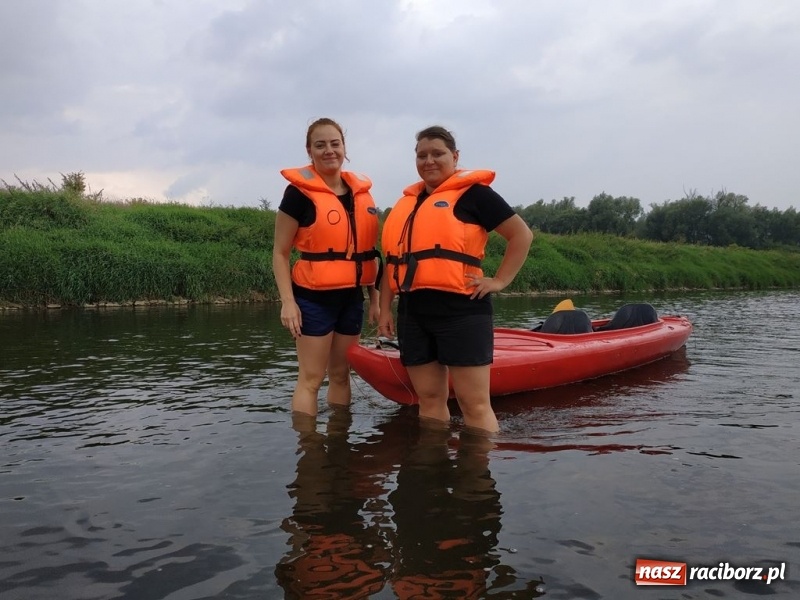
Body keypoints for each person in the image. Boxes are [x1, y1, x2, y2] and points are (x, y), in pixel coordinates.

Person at [378, 125, 533, 433]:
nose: (429, 161)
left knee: (474, 404)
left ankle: (475, 479)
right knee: (430, 399)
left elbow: (521, 235)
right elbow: (393, 262)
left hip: (462, 311)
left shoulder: (475, 195)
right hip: (414, 313)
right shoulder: (409, 203)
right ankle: (433, 468)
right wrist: (384, 309)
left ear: (455, 156)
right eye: (422, 155)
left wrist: (499, 281)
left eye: (438, 153)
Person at [273, 118, 380, 416]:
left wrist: (374, 300)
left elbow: (369, 252)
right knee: (310, 378)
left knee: (342, 374)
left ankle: (339, 445)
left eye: (335, 144)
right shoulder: (298, 194)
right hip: (312, 299)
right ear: (310, 151)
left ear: (344, 148)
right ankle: (310, 454)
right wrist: (288, 303)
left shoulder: (360, 193)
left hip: (351, 298)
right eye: (320, 145)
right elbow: (280, 253)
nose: (329, 150)